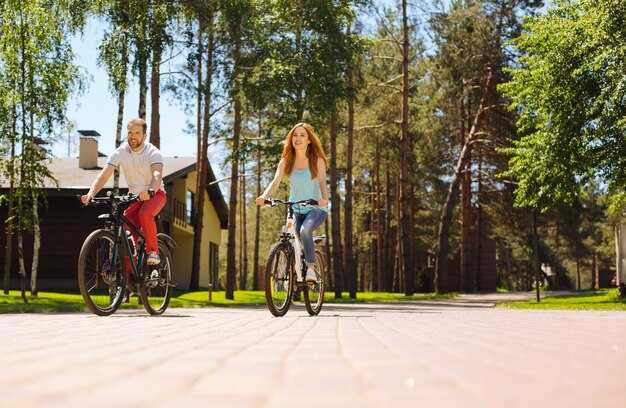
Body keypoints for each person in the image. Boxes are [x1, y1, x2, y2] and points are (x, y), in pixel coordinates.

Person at [81, 118, 166, 266]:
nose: (133, 136)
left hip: (155, 194)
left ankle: (153, 252)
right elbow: (104, 175)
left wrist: (151, 190)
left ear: (144, 136)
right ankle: (130, 276)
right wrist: (91, 194)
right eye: (130, 132)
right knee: (125, 228)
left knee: (145, 214)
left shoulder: (153, 152)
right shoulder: (120, 152)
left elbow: (157, 175)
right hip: (135, 197)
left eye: (137, 133)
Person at [255, 123, 329, 283]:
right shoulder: (286, 161)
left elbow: (323, 182)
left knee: (304, 230)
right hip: (296, 208)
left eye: (302, 135)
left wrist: (324, 199)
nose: (298, 138)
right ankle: (294, 269)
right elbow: (275, 182)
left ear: (309, 140)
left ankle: (310, 269)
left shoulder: (317, 160)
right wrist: (264, 196)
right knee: (289, 235)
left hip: (316, 208)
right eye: (295, 135)